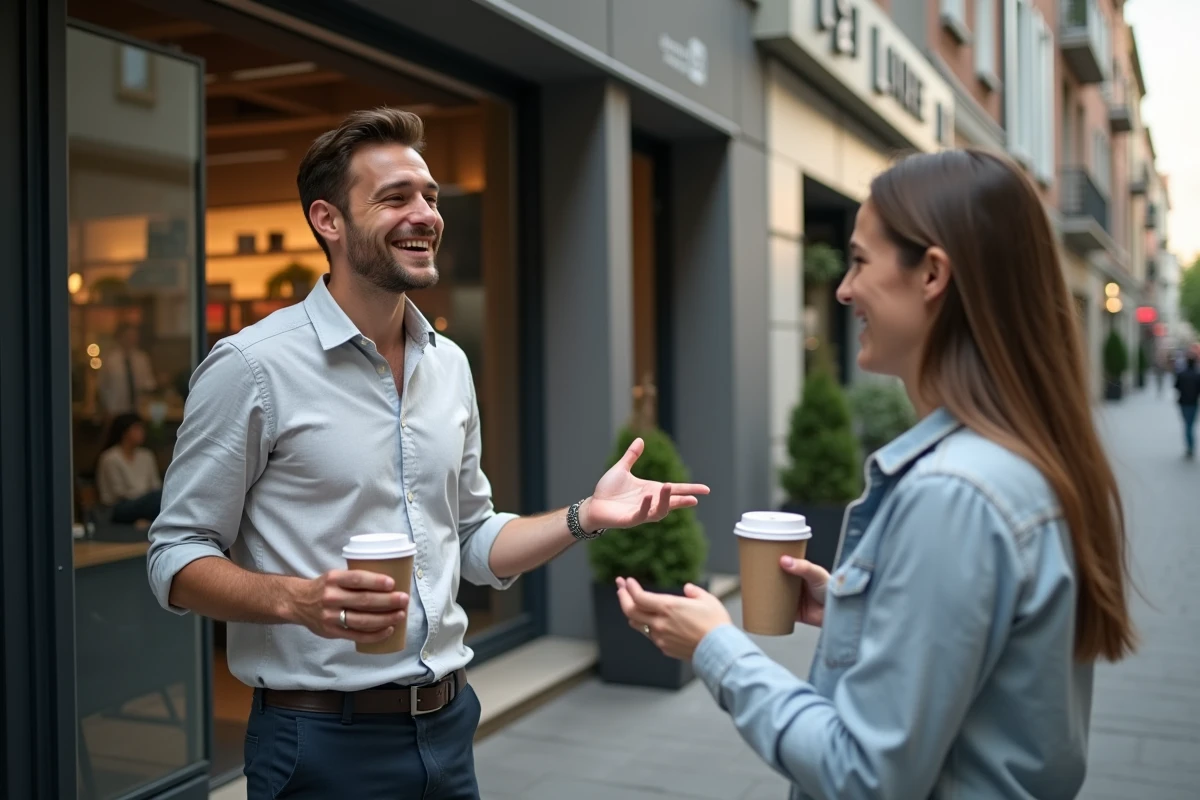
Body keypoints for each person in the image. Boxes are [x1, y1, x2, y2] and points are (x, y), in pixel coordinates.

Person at [146, 107, 709, 800]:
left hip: (448, 729)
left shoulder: (449, 365)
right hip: (318, 744)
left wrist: (584, 515)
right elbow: (173, 556)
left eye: (430, 196)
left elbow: (472, 538)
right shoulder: (251, 368)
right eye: (394, 198)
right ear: (328, 220)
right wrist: (299, 601)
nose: (425, 214)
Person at [616, 149, 1135, 799]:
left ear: (932, 275)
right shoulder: (1016, 462)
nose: (842, 289)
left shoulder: (954, 494)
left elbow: (863, 773)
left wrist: (716, 647)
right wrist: (859, 614)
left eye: (860, 261)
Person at [95, 412, 162, 524]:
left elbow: (155, 484)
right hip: (118, 508)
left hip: (145, 502)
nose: (142, 432)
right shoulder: (110, 458)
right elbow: (118, 493)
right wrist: (145, 498)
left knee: (162, 495)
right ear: (124, 432)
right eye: (137, 429)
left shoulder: (146, 455)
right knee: (156, 498)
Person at [98, 323, 156, 415]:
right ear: (120, 337)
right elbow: (102, 386)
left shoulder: (142, 359)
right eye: (128, 336)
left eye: (134, 336)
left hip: (138, 409)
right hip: (115, 410)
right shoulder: (109, 359)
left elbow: (149, 383)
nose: (131, 339)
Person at [1175, 354, 1199, 459]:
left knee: (1187, 425)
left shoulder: (1182, 374)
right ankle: (1190, 446)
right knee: (1190, 425)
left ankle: (1189, 447)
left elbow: (1176, 386)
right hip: (1193, 403)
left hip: (1183, 403)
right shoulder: (1197, 375)